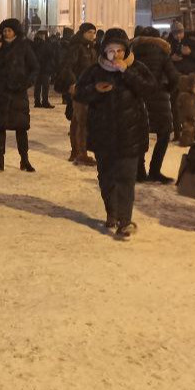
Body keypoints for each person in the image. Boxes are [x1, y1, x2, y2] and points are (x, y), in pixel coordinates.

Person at [74, 28, 155, 238]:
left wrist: (126, 72)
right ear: (104, 51)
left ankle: (125, 220)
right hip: (103, 133)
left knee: (127, 177)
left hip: (130, 132)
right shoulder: (94, 71)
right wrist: (95, 90)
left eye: (120, 50)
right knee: (107, 176)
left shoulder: (137, 67)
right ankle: (112, 212)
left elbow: (149, 89)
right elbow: (79, 94)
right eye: (111, 50)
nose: (116, 55)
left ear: (126, 50)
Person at [0, 19, 38, 172]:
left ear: (15, 31)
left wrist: (26, 83)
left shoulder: (24, 46)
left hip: (17, 93)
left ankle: (24, 160)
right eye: (5, 30)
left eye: (9, 30)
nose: (6, 33)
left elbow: (34, 67)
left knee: (21, 128)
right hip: (0, 93)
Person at [131, 28, 180, 183]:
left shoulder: (132, 50)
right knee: (164, 134)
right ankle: (155, 170)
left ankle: (139, 171)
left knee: (139, 134)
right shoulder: (162, 51)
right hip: (158, 96)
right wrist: (167, 90)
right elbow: (174, 77)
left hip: (137, 97)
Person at [55, 22, 99, 165]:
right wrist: (73, 84)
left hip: (89, 88)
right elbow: (68, 67)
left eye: (94, 32)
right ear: (83, 33)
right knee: (82, 121)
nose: (92, 35)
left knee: (77, 120)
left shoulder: (90, 48)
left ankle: (76, 151)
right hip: (80, 88)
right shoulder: (77, 47)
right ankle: (81, 153)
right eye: (89, 32)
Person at [32, 30, 57, 108]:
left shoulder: (34, 44)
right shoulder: (45, 44)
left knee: (37, 86)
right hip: (45, 68)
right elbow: (51, 54)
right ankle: (45, 102)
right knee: (45, 86)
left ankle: (37, 102)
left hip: (37, 68)